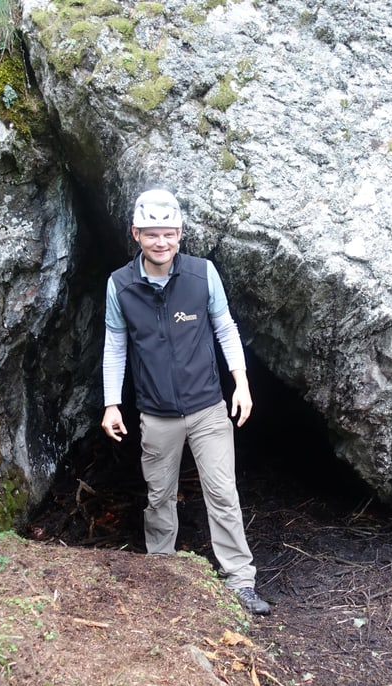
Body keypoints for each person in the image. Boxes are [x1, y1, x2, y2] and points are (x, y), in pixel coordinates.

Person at [100, 188, 271, 616]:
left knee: (222, 492)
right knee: (159, 496)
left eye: (170, 233)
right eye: (153, 234)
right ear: (136, 233)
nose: (162, 243)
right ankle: (161, 573)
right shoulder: (120, 285)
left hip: (208, 408)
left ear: (181, 234)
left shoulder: (202, 274)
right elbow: (115, 346)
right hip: (156, 414)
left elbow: (225, 329)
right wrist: (111, 403)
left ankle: (240, 580)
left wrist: (242, 383)